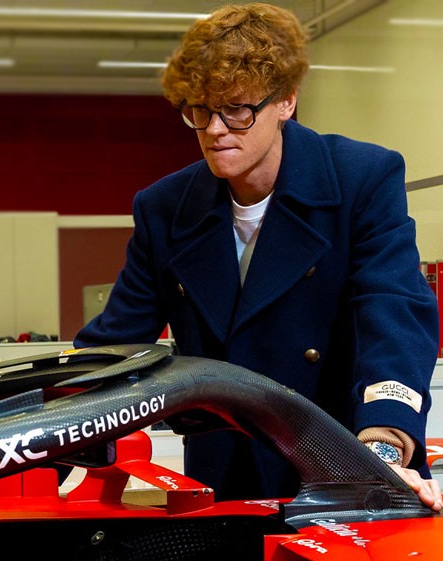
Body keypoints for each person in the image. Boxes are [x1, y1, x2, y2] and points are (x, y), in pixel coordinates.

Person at [75, 3, 441, 510]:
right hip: (227, 480)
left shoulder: (360, 178)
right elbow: (115, 345)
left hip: (344, 464)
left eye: (238, 109)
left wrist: (382, 450)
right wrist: (24, 425)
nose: (216, 129)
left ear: (286, 102)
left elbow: (394, 311)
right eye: (200, 110)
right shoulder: (165, 208)